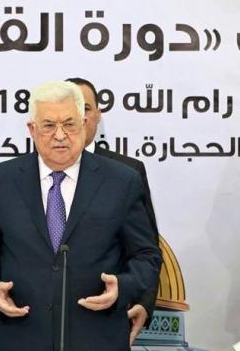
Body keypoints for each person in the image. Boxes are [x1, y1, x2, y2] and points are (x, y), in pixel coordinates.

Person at [0, 80, 161, 351]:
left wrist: (123, 287)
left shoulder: (122, 181)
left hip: (98, 338)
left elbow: (147, 256)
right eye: (48, 125)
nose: (60, 135)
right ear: (32, 129)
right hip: (22, 337)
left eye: (69, 124)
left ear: (84, 123)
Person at [66, 77, 160, 345]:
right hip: (36, 322)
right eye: (69, 109)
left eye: (84, 108)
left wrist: (143, 303)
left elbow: (146, 249)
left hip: (105, 320)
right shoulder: (25, 173)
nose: (78, 117)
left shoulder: (127, 172)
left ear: (97, 114)